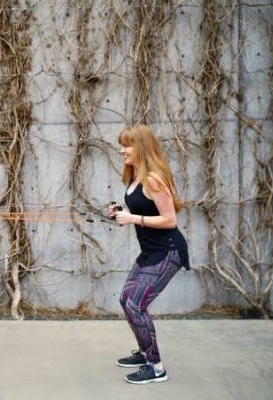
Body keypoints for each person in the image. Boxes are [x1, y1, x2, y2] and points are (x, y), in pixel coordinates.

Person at [109, 124, 190, 384]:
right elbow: (143, 208)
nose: (122, 150)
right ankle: (146, 354)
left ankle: (156, 367)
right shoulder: (135, 177)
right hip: (151, 251)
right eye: (122, 145)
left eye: (127, 145)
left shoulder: (154, 178)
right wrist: (119, 211)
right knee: (126, 299)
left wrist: (132, 217)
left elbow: (169, 220)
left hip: (168, 251)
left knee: (136, 304)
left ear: (141, 147)